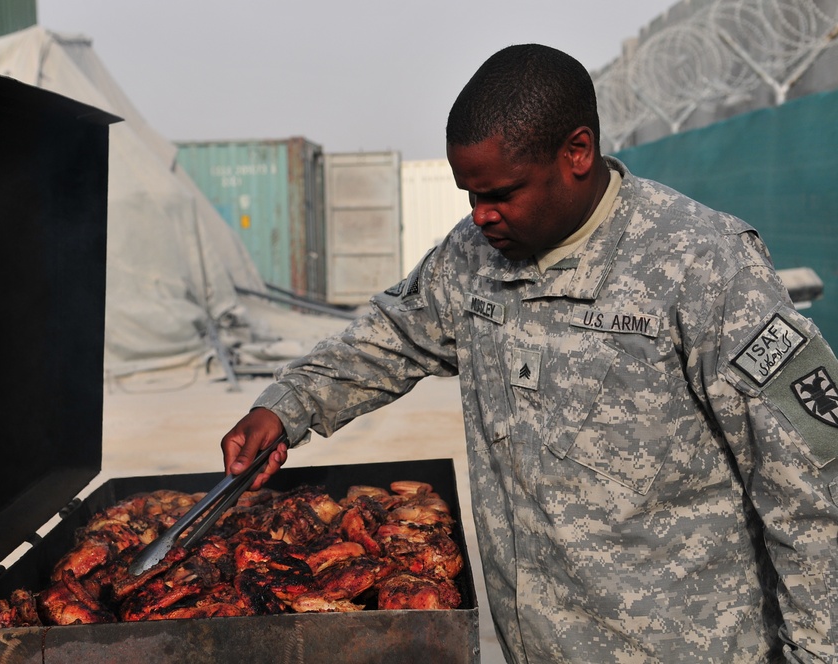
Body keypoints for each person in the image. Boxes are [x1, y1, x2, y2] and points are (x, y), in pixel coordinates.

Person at [220, 44, 838, 663]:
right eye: (469, 196)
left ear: (577, 153)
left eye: (503, 193)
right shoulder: (476, 252)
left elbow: (815, 485)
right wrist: (288, 404)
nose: (481, 216)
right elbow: (393, 334)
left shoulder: (703, 265)